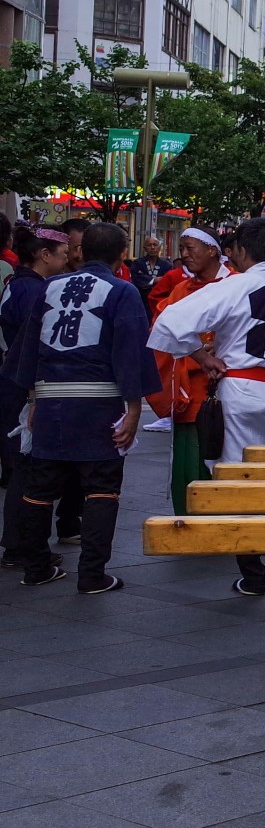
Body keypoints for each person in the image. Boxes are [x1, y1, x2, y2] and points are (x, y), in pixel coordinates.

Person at [147, 217, 265, 596]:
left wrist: (202, 357)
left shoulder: (235, 285)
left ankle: (253, 575)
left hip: (239, 392)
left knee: (238, 482)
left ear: (243, 251)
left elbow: (169, 324)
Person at [11, 222, 161, 592]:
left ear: (81, 251)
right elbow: (129, 352)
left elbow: (29, 346)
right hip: (99, 401)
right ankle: (92, 575)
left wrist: (32, 398)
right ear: (122, 254)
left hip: (50, 399)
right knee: (102, 488)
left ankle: (36, 567)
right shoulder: (122, 291)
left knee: (39, 487)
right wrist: (135, 408)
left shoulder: (50, 287)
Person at [148, 228, 234, 516]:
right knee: (189, 457)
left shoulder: (236, 284)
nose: (184, 254)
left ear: (212, 250)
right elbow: (160, 331)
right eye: (182, 248)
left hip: (230, 386)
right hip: (189, 386)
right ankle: (190, 517)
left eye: (190, 247)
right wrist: (199, 352)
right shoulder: (180, 290)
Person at [0, 226, 72, 568]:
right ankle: (21, 546)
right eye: (62, 254)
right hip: (24, 388)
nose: (67, 258)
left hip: (15, 381)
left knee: (25, 467)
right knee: (28, 468)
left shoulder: (21, 285)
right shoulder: (34, 292)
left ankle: (20, 543)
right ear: (45, 255)